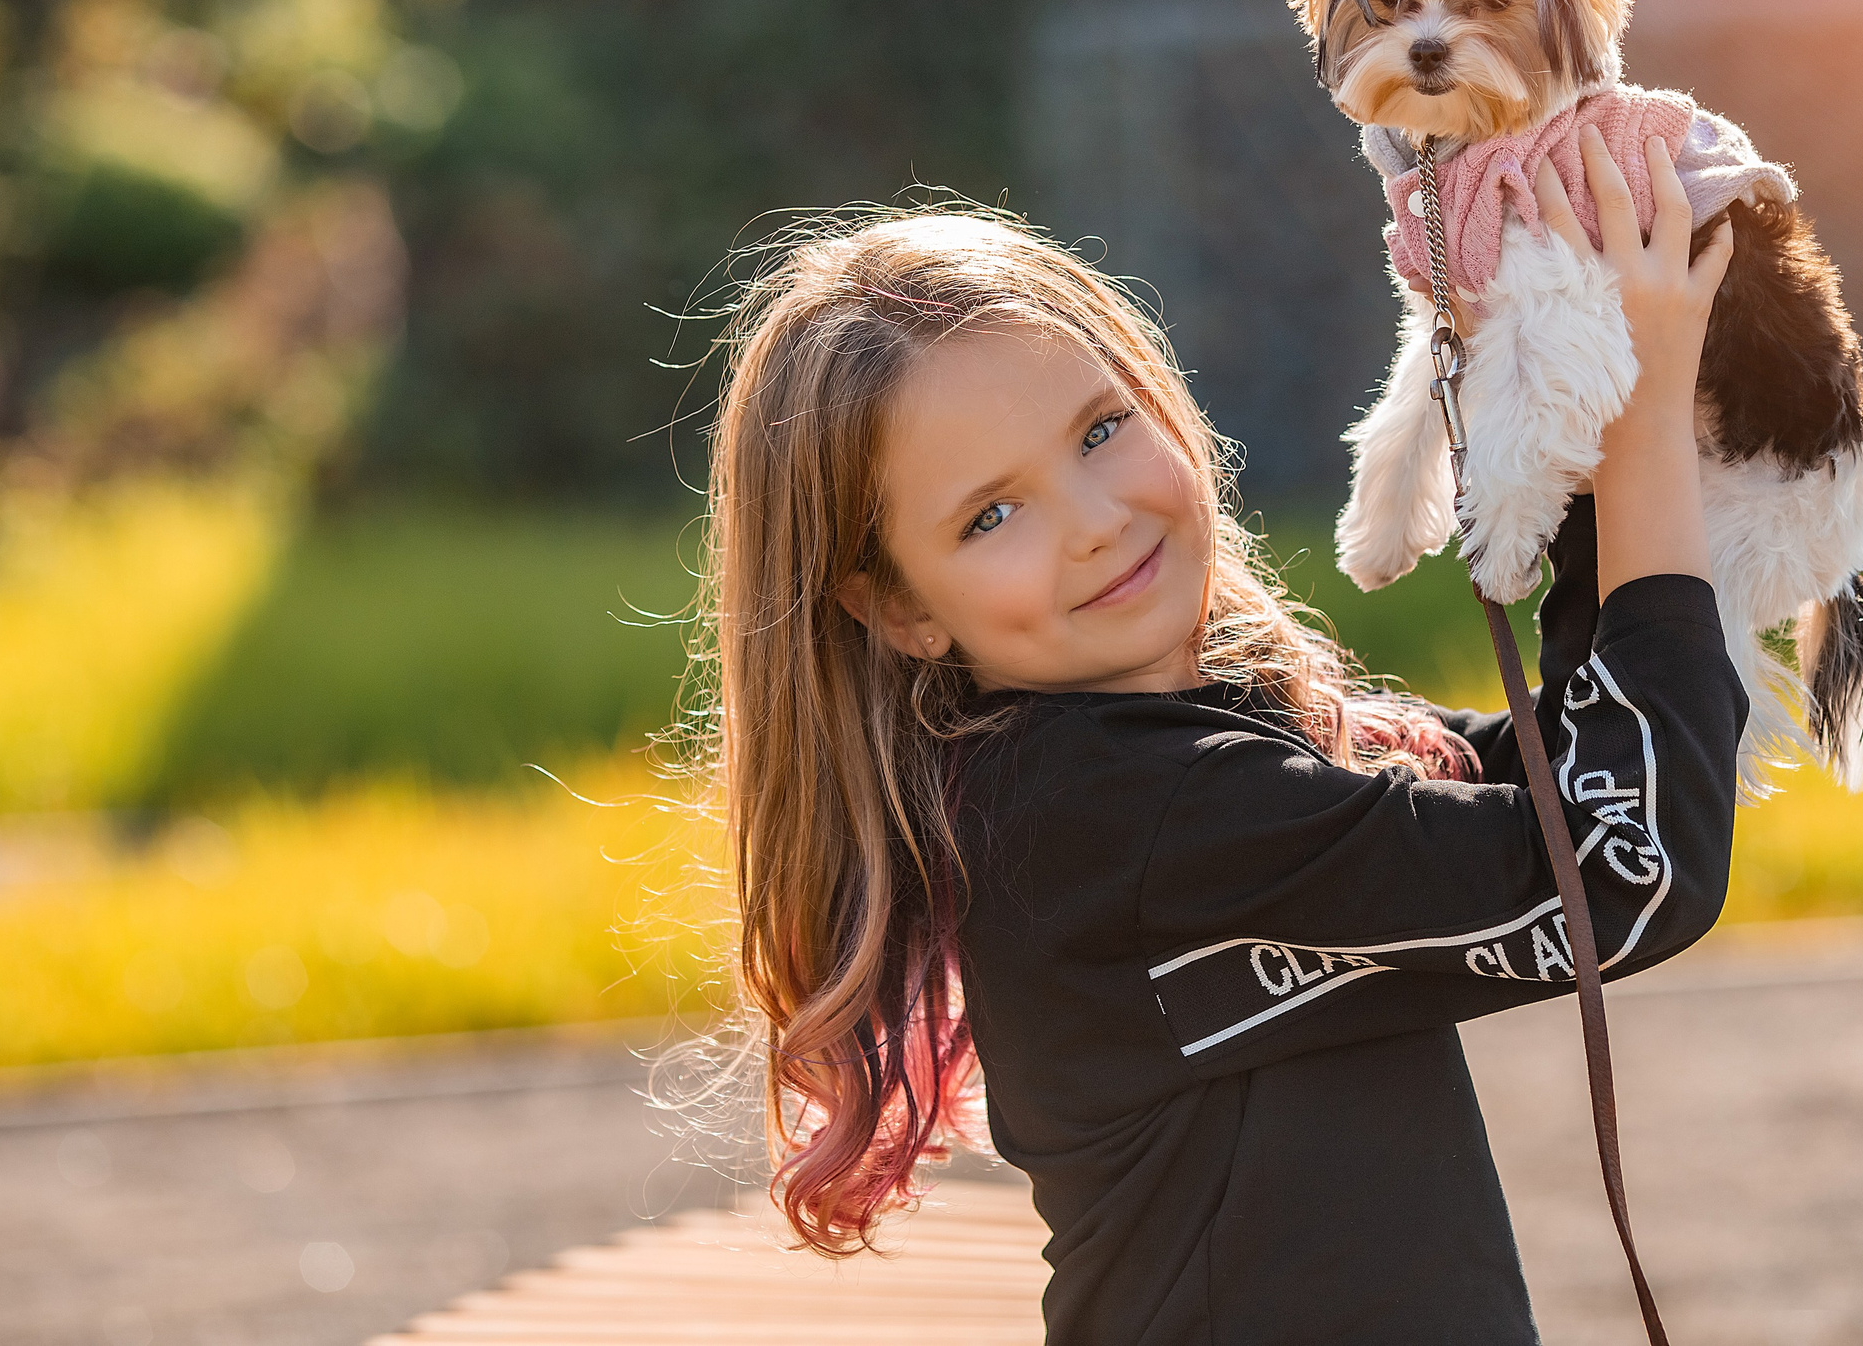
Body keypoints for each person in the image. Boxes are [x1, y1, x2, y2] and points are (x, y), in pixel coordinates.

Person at [686, 130, 1745, 1345]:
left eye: (1096, 430)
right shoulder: (1126, 811)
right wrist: (1640, 418)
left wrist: (1569, 390)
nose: (1092, 521)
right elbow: (1630, 863)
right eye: (990, 514)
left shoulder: (1160, 745)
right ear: (899, 608)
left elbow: (1580, 780)